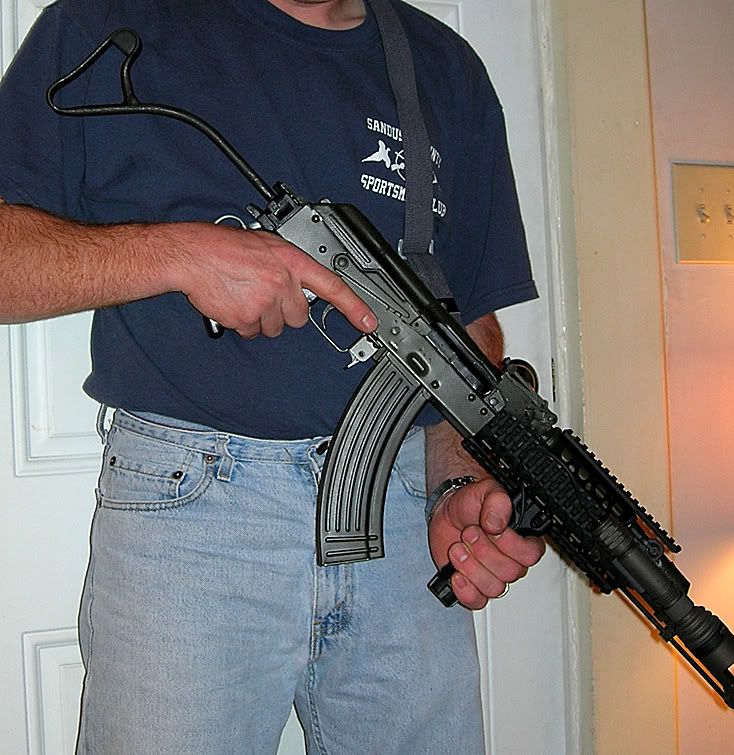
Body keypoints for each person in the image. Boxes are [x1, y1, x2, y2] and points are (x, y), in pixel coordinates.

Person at [0, 0, 546, 752]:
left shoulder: (443, 68)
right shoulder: (106, 23)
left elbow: (467, 333)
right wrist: (180, 254)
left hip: (399, 527)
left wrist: (458, 484)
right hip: (193, 519)